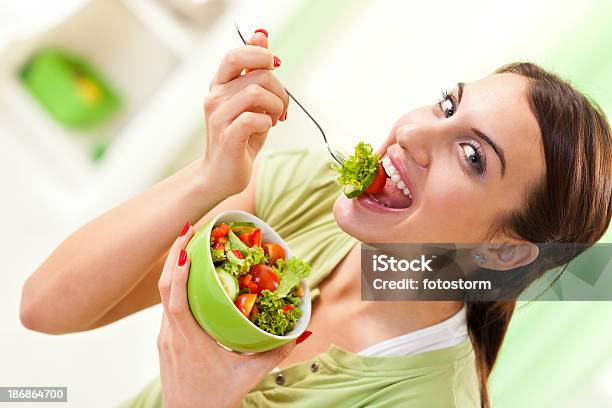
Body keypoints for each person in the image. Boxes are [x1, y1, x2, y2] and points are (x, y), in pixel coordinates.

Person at [20, 29, 611, 408]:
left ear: (503, 255)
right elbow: (46, 306)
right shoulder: (309, 187)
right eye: (447, 105)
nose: (410, 131)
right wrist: (209, 177)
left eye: (473, 155)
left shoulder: (422, 398)